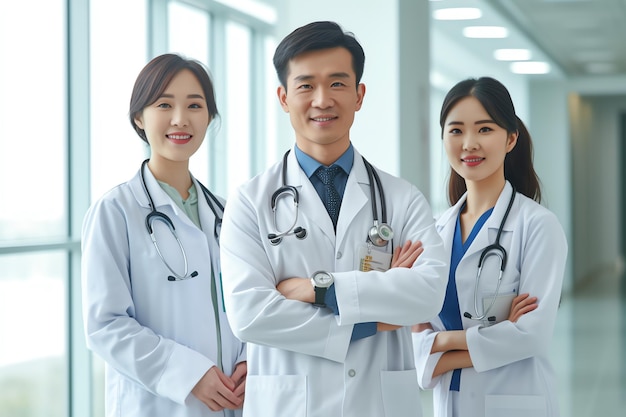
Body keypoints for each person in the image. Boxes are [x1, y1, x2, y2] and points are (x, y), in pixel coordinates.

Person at [219, 21, 448, 417]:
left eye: (338, 84)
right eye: (306, 85)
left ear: (359, 95)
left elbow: (426, 295)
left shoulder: (401, 197)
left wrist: (317, 290)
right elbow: (251, 315)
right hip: (290, 405)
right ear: (283, 97)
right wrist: (372, 320)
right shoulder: (249, 202)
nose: (322, 100)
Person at [81, 53, 246, 417]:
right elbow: (105, 325)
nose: (180, 119)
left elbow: (249, 301)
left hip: (234, 400)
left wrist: (252, 360)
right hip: (158, 405)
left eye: (195, 105)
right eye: (164, 104)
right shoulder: (116, 211)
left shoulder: (227, 212)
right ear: (139, 117)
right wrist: (189, 375)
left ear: (209, 117)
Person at [411, 76, 567, 417]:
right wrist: (496, 335)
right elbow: (410, 346)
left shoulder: (538, 226)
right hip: (450, 404)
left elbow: (533, 337)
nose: (469, 143)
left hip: (513, 401)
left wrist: (441, 342)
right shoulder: (433, 231)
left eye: (484, 129)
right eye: (456, 131)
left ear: (510, 139)